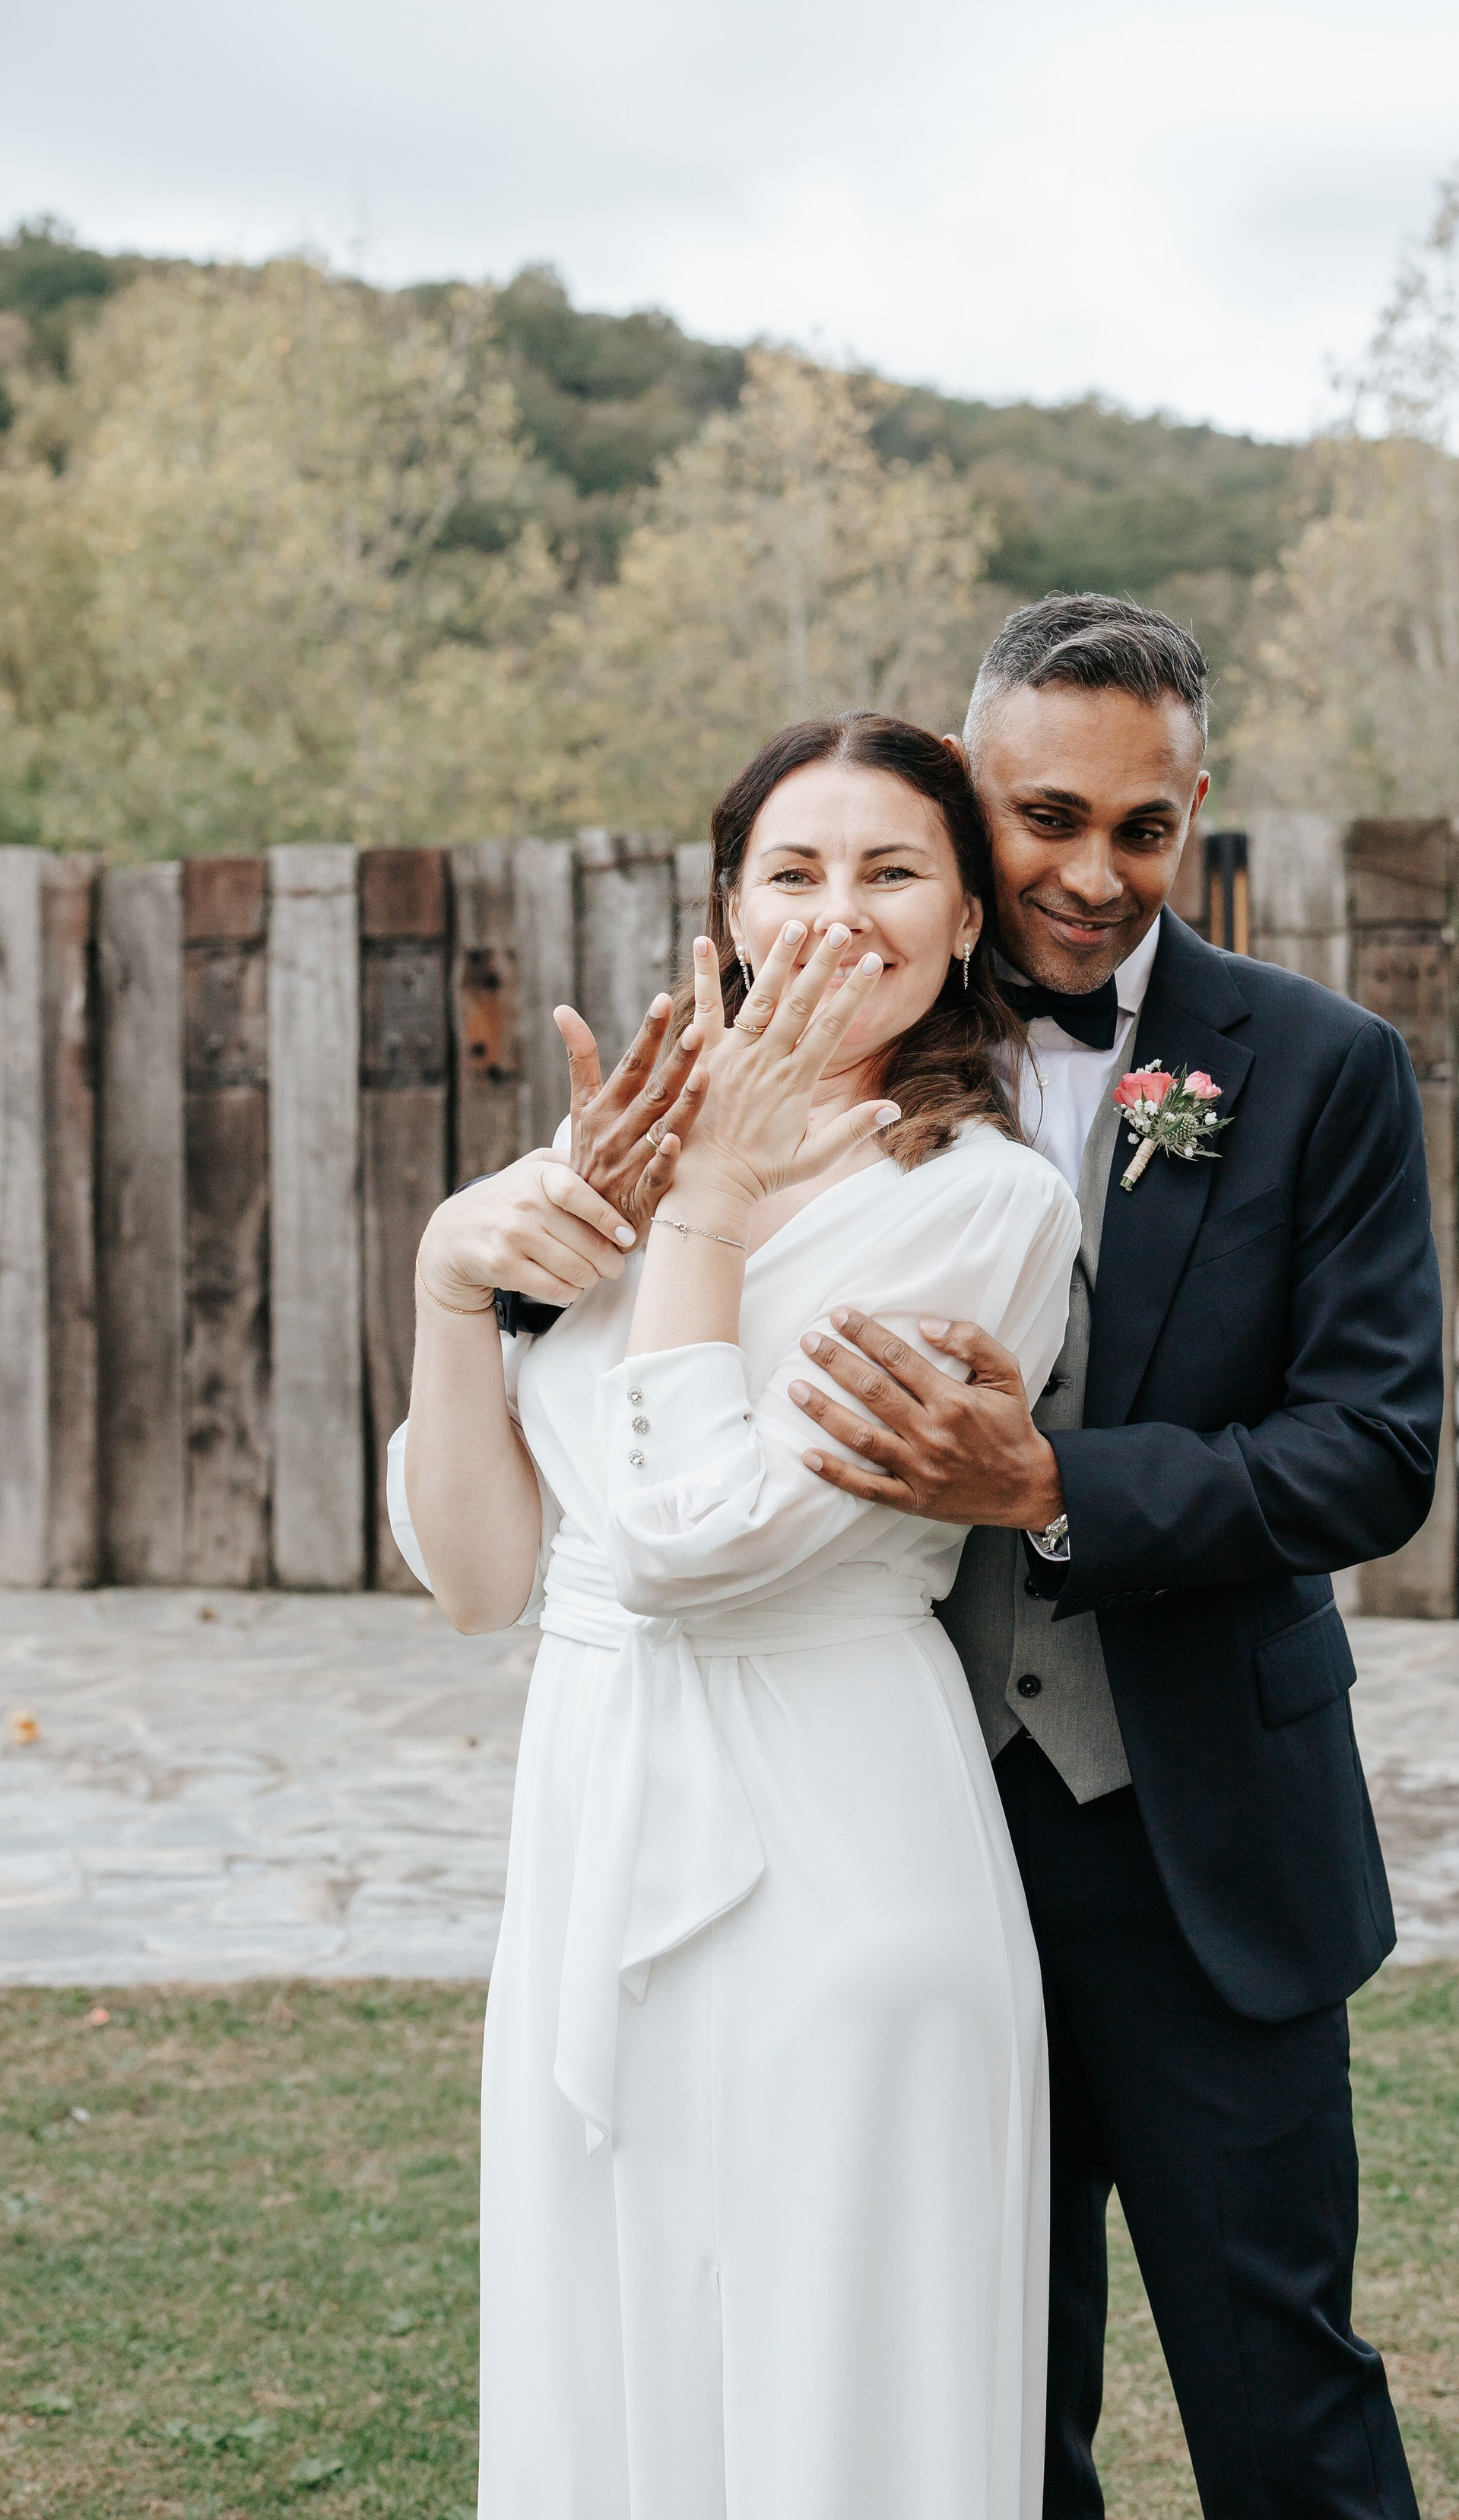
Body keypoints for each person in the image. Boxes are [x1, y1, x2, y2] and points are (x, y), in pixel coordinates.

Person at [788, 595, 1443, 2520]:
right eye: (1039, 817)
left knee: (1280, 2391)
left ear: (1196, 816)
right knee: (979, 2401)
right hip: (906, 1833)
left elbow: (1370, 1452)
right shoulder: (846, 1050)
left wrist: (1051, 1485)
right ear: (962, 796)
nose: (1089, 874)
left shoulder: (1319, 1066)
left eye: (1138, 829)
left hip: (1205, 1831)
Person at [390, 715, 1080, 2520]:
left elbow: (701, 1540)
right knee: (611, 2350)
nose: (835, 914)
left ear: (961, 925)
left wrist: (703, 1215)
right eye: (793, 870)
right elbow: (478, 1583)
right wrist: (455, 1276)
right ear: (726, 908)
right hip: (594, 1810)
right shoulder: (612, 1161)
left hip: (832, 1838)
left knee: (832, 2383)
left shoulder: (982, 1204)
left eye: (890, 871)